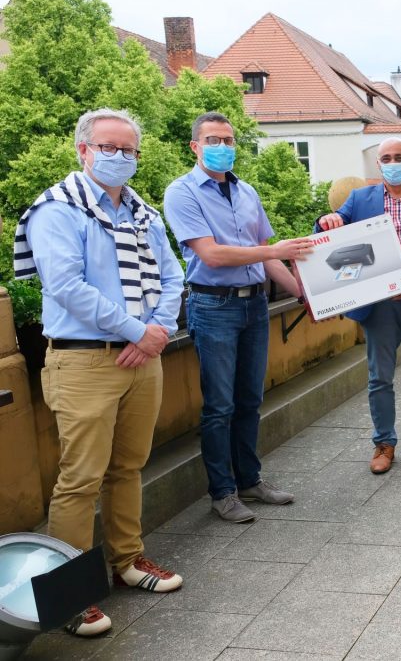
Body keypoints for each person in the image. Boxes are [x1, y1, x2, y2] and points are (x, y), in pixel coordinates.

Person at [13, 108, 185, 636]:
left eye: (129, 150)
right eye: (108, 147)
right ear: (83, 150)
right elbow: (66, 286)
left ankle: (127, 561)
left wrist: (154, 331)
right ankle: (69, 594)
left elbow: (173, 273)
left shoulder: (143, 211)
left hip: (141, 357)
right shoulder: (57, 209)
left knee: (128, 466)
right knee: (80, 480)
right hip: (85, 359)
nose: (120, 157)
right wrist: (140, 332)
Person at [163, 112, 312, 523]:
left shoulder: (246, 191)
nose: (223, 147)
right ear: (195, 146)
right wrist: (275, 252)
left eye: (229, 140)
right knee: (219, 405)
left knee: (250, 399)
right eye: (213, 140)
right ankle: (222, 492)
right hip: (213, 306)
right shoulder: (181, 192)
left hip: (254, 305)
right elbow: (211, 254)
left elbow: (265, 252)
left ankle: (249, 479)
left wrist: (307, 294)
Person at [315, 137, 401, 474]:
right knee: (380, 378)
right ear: (378, 164)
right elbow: (332, 227)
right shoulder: (360, 199)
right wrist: (327, 219)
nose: (393, 163)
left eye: (399, 157)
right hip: (379, 305)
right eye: (387, 158)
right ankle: (384, 443)